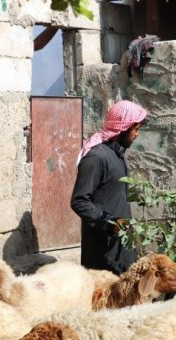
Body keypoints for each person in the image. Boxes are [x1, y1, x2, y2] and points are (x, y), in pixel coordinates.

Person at [70, 100, 147, 275]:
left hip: (120, 243)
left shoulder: (117, 154)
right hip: (102, 247)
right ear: (123, 128)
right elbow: (79, 201)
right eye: (135, 129)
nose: (137, 134)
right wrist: (110, 222)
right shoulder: (96, 158)